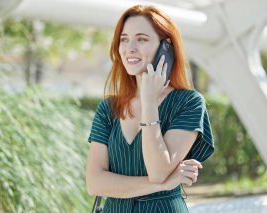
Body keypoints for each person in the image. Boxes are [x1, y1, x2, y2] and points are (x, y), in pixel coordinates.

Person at [86, 5, 214, 213]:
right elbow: (95, 183)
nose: (130, 48)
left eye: (142, 39)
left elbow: (158, 171)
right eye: (124, 39)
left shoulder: (188, 102)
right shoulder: (109, 108)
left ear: (166, 48)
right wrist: (162, 185)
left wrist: (149, 102)